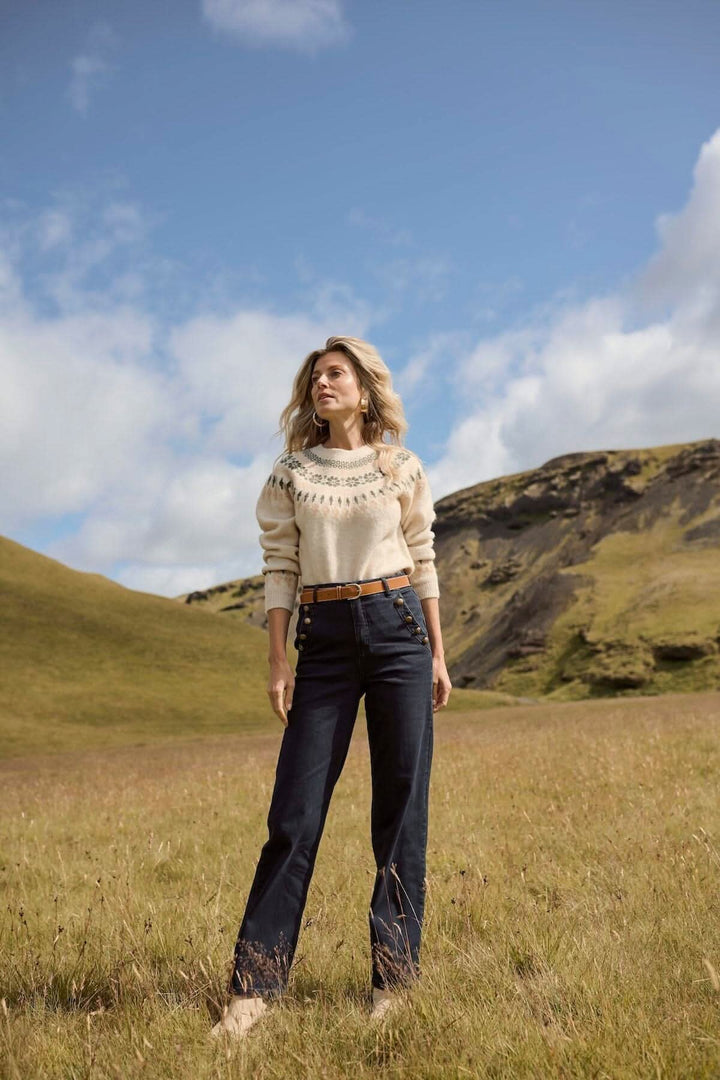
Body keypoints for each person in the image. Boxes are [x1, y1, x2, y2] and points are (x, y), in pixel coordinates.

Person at [211, 335, 452, 1039]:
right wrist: (277, 659)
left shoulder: (400, 465)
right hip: (322, 636)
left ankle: (393, 984)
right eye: (316, 376)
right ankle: (254, 987)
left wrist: (438, 653)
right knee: (295, 814)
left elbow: (425, 555)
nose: (323, 384)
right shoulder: (291, 473)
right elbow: (280, 564)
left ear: (366, 387)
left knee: (401, 810)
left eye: (335, 374)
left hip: (398, 624)